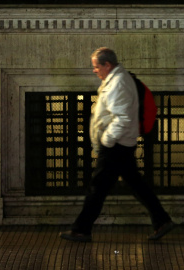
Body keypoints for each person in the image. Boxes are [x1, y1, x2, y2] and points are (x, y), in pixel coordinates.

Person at [60, 47, 175, 242]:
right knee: (136, 185)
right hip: (121, 144)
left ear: (107, 65)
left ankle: (81, 229)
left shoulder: (118, 83)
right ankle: (162, 220)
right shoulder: (115, 80)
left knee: (97, 188)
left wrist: (106, 140)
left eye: (96, 66)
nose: (94, 70)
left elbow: (122, 118)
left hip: (115, 146)